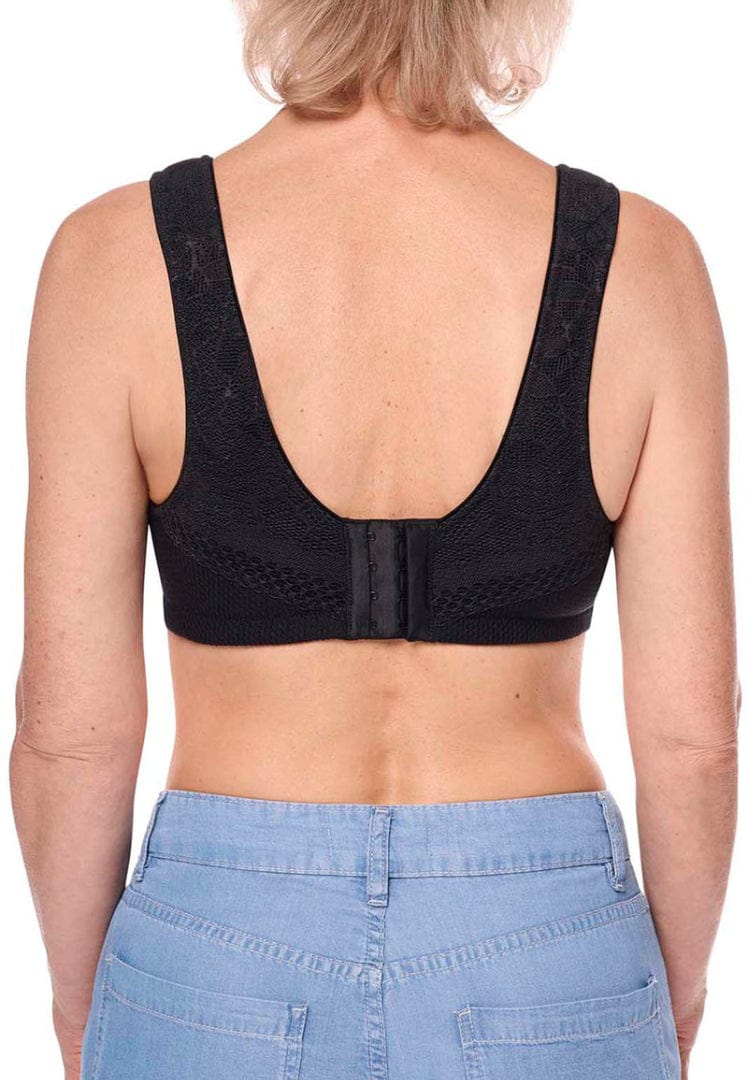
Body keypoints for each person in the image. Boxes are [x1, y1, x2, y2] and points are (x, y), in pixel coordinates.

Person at [11, 2, 739, 1078]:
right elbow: (692, 738)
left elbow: (70, 735)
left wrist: (87, 1012)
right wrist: (662, 1004)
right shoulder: (645, 263)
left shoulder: (112, 260)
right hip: (544, 943)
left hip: (219, 947)